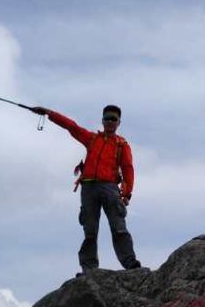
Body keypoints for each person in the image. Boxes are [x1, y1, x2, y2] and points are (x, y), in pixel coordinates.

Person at [31, 104, 142, 275]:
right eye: (107, 118)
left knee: (119, 228)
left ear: (119, 122)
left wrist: (127, 194)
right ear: (102, 120)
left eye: (114, 119)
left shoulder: (122, 145)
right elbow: (71, 126)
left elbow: (128, 169)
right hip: (88, 188)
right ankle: (89, 269)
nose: (110, 121)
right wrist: (48, 113)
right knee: (90, 230)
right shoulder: (91, 139)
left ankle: (130, 264)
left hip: (110, 189)